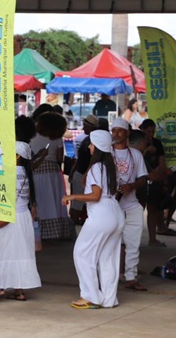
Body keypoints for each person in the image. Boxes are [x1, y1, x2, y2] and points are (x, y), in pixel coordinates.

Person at [62, 130, 124, 309]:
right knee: (107, 258)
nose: (88, 146)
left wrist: (72, 197)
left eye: (91, 144)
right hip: (115, 212)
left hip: (101, 213)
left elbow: (96, 195)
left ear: (96, 147)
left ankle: (90, 296)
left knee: (82, 253)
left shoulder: (97, 167)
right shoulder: (111, 166)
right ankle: (109, 299)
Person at [0, 142, 41, 301]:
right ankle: (19, 290)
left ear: (17, 156)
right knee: (20, 252)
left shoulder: (8, 172)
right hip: (23, 217)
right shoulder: (26, 172)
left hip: (7, 215)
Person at [110, 118, 148, 292]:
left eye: (120, 130)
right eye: (114, 130)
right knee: (110, 243)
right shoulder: (106, 153)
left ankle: (131, 277)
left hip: (131, 204)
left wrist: (131, 186)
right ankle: (110, 275)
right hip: (111, 205)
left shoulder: (136, 154)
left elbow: (142, 178)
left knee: (133, 243)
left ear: (127, 133)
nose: (116, 133)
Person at [30, 111, 75, 240]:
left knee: (39, 201)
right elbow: (59, 158)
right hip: (53, 172)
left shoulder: (32, 136)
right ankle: (55, 232)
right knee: (54, 201)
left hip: (37, 170)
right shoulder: (57, 138)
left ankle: (39, 232)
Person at [140, 119, 173, 245]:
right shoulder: (138, 143)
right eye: (148, 132)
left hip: (155, 179)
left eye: (152, 132)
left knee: (153, 209)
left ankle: (152, 238)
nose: (150, 134)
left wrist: (159, 176)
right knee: (138, 209)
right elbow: (135, 159)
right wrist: (146, 151)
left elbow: (162, 163)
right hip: (141, 180)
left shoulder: (157, 144)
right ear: (142, 130)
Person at [68, 115, 100, 224]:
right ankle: (73, 223)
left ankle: (73, 223)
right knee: (77, 202)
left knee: (78, 202)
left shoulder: (93, 140)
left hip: (84, 174)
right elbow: (79, 159)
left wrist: (85, 175)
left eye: (85, 126)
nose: (83, 128)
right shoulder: (87, 139)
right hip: (81, 173)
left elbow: (92, 161)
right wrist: (73, 172)